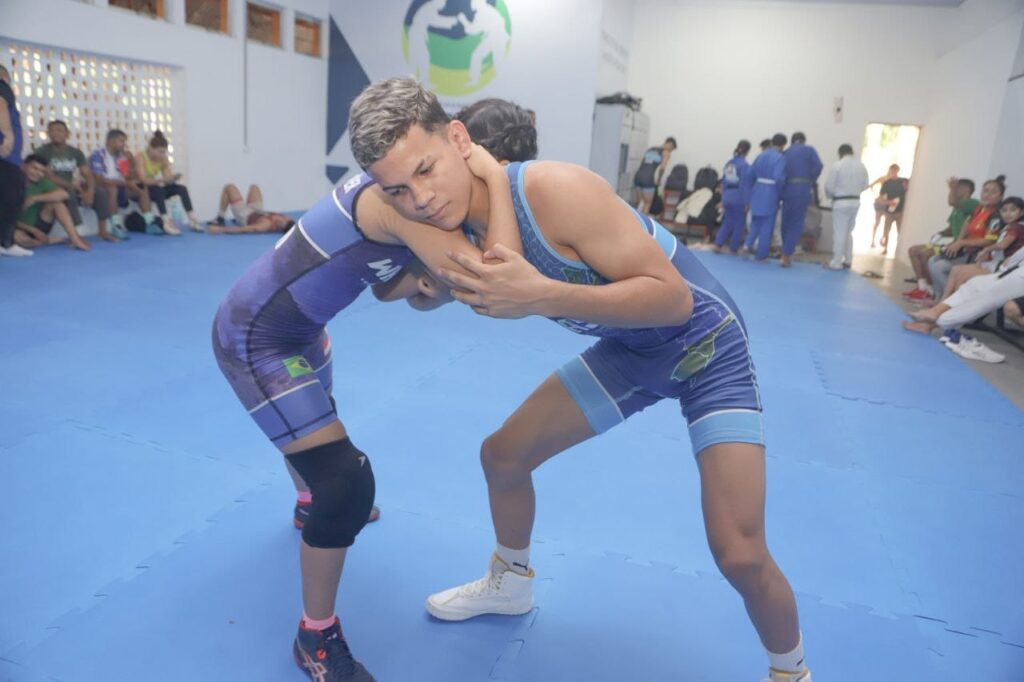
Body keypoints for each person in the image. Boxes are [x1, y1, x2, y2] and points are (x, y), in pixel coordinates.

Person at [348, 78, 811, 682]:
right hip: (628, 347)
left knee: (739, 552)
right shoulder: (449, 222)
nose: (422, 198)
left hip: (706, 348)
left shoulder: (557, 190)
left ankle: (791, 671)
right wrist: (402, 240)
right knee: (503, 456)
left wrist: (541, 294)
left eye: (428, 171)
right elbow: (406, 295)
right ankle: (510, 582)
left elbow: (673, 303)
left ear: (460, 141)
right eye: (399, 189)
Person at [213, 92, 537, 682]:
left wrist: (436, 278)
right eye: (409, 181)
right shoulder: (400, 206)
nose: (422, 195)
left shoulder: (401, 197)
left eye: (427, 175)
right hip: (256, 338)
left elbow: (392, 290)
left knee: (316, 433)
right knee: (347, 486)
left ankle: (307, 505)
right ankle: (314, 637)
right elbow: (499, 286)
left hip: (305, 331)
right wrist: (489, 187)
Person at [36, 120, 118, 242]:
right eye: (52, 130)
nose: (55, 133)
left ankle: (103, 231)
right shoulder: (42, 152)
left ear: (67, 134)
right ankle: (75, 234)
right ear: (48, 133)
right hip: (52, 187)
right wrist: (73, 186)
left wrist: (89, 191)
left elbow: (88, 174)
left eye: (59, 130)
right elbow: (49, 176)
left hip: (72, 186)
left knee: (99, 192)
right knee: (70, 192)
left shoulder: (75, 152)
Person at [926, 176, 1006, 301]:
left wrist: (962, 242)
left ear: (1000, 197)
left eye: (993, 192)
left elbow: (990, 241)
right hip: (966, 252)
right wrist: (957, 242)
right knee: (933, 260)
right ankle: (939, 299)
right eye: (985, 190)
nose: (988, 194)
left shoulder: (995, 215)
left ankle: (950, 302)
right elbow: (966, 225)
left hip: (980, 257)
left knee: (939, 267)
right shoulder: (979, 209)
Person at [929, 197, 1024, 301]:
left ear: (1021, 212)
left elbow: (1003, 245)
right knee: (956, 270)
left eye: (1013, 210)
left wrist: (987, 249)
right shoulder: (1008, 226)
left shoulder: (1016, 228)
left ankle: (948, 305)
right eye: (1004, 210)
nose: (1008, 213)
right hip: (995, 263)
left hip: (1003, 267)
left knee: (961, 276)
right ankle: (943, 303)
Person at [902, 178, 978, 300]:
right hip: (951, 243)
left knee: (925, 254)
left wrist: (952, 188)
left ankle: (932, 291)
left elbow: (952, 201)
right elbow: (952, 227)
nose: (954, 191)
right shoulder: (957, 208)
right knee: (913, 250)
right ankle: (923, 287)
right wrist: (940, 234)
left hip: (961, 249)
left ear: (966, 189)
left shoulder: (971, 203)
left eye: (958, 188)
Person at [89, 129, 160, 236]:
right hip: (103, 189)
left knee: (141, 187)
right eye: (121, 141)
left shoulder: (121, 157)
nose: (124, 145)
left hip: (119, 187)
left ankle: (149, 222)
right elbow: (99, 180)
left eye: (124, 142)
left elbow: (127, 176)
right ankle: (116, 226)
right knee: (112, 189)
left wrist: (130, 162)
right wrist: (125, 183)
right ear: (111, 142)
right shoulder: (98, 155)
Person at [15, 154, 91, 251]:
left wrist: (34, 198)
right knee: (15, 239)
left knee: (56, 203)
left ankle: (75, 239)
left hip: (40, 226)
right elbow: (5, 219)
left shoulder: (42, 182)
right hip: (19, 228)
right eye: (34, 168)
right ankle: (46, 241)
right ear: (23, 166)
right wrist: (33, 230)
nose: (38, 173)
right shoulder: (12, 184)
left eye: (42, 171)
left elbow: (64, 194)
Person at [134, 130, 202, 234]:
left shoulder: (163, 159)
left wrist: (173, 178)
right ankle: (166, 222)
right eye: (160, 151)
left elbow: (167, 178)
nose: (162, 154)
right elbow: (143, 180)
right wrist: (162, 180)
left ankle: (192, 220)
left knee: (182, 189)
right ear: (151, 148)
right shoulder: (140, 157)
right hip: (143, 189)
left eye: (164, 152)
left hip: (156, 186)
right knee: (159, 190)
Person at [0, 64, 32, 257]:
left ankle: (5, 242)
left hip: (9, 159)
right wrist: (8, 135)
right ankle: (6, 242)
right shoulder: (3, 87)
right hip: (6, 156)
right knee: (13, 198)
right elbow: (1, 105)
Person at [741, 133, 787, 261]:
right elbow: (779, 178)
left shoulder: (761, 155)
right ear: (783, 145)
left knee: (755, 222)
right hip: (771, 193)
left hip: (757, 190)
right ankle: (761, 255)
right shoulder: (780, 158)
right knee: (767, 225)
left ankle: (746, 246)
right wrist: (781, 194)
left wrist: (749, 195)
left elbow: (749, 174)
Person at [779, 132, 822, 267]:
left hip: (787, 189)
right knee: (796, 222)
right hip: (802, 188)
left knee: (786, 221)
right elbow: (819, 166)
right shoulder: (809, 150)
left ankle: (784, 251)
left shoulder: (785, 153)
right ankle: (786, 254)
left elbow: (780, 172)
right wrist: (810, 179)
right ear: (803, 141)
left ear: (791, 142)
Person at [822, 144, 869, 271]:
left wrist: (831, 195)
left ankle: (836, 262)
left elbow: (829, 186)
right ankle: (848, 261)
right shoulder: (861, 166)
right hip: (855, 201)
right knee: (848, 232)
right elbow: (866, 185)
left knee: (839, 233)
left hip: (841, 202)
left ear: (840, 153)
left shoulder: (838, 165)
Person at [205, 183, 295, 234]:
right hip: (258, 210)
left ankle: (220, 218)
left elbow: (244, 229)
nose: (283, 220)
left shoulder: (265, 225)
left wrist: (220, 230)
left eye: (283, 223)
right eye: (286, 220)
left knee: (229, 187)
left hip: (244, 215)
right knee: (254, 187)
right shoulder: (288, 220)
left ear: (281, 228)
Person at [712, 139, 752, 254]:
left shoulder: (729, 163)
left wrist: (723, 199)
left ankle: (718, 244)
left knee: (728, 221)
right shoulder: (744, 165)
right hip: (738, 196)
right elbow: (745, 184)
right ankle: (733, 247)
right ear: (747, 151)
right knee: (739, 223)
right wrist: (747, 201)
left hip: (727, 195)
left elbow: (723, 182)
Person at [869, 164, 907, 254]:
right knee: (886, 230)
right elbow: (881, 198)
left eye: (895, 170)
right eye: (892, 170)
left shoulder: (903, 181)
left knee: (899, 231)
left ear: (898, 170)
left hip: (900, 211)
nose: (894, 172)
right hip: (889, 211)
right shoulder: (886, 183)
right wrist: (889, 203)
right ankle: (885, 248)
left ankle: (898, 249)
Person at [633, 136, 677, 214]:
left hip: (638, 176)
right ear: (670, 144)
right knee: (647, 204)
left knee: (638, 203)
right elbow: (662, 168)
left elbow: (642, 163)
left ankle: (633, 223)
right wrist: (659, 179)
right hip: (648, 179)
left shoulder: (650, 149)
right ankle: (643, 225)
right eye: (672, 149)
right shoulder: (666, 152)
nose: (670, 152)